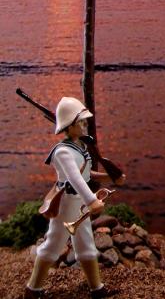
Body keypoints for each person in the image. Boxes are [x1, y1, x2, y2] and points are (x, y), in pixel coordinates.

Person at [24, 97, 124, 299]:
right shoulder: (62, 152)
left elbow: (86, 176)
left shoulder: (81, 147)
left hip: (79, 204)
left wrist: (110, 177)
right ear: (69, 126)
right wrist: (92, 201)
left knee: (86, 245)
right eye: (81, 122)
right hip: (66, 204)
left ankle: (98, 289)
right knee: (53, 246)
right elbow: (75, 179)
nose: (85, 125)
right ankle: (32, 290)